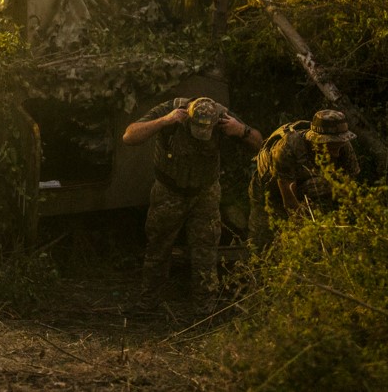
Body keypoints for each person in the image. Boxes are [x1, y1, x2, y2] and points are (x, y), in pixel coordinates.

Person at [122, 96, 264, 311]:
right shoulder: (170, 110)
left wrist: (241, 130)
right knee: (158, 247)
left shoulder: (222, 116)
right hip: (169, 191)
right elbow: (129, 136)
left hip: (205, 192)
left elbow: (259, 144)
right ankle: (148, 302)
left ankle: (204, 306)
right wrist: (164, 121)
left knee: (206, 250)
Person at [247, 109, 360, 251]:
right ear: (317, 140)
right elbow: (289, 203)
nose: (336, 152)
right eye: (331, 145)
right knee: (265, 243)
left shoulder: (342, 145)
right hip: (271, 193)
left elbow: (351, 189)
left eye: (339, 145)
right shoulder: (287, 148)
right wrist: (307, 232)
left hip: (307, 186)